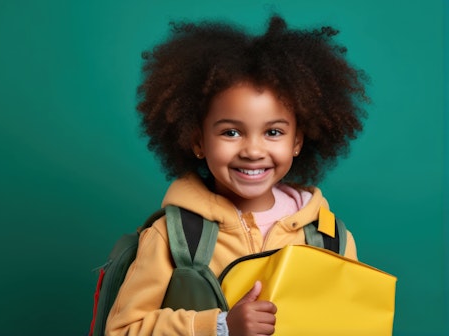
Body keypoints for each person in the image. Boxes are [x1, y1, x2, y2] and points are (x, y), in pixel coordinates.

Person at [105, 14, 369, 336]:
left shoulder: (331, 239)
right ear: (198, 141)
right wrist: (219, 327)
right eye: (231, 132)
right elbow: (122, 330)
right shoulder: (172, 237)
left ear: (297, 141)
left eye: (273, 132)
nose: (253, 151)